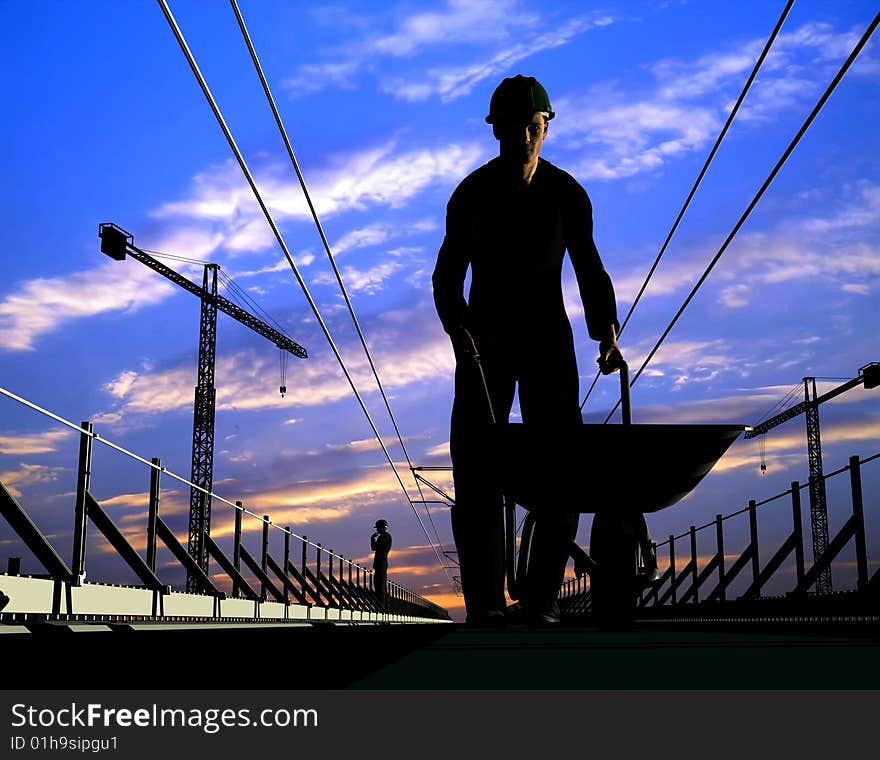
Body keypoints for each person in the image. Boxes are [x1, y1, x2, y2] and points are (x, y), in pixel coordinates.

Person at [432, 74, 623, 626]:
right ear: (496, 132)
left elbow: (589, 267)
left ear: (546, 128)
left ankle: (540, 599)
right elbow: (447, 276)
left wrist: (605, 333)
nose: (522, 137)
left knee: (561, 471)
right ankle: (487, 606)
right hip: (482, 346)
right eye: (511, 129)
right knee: (476, 474)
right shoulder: (471, 196)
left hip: (547, 342)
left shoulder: (567, 195)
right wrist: (457, 330)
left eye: (531, 127)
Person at [370, 519, 392, 610]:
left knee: (380, 585)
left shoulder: (385, 536)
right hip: (381, 563)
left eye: (378, 528)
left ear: (382, 528)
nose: (377, 530)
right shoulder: (385, 536)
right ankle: (383, 607)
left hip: (381, 563)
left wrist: (372, 539)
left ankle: (382, 607)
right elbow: (374, 548)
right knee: (380, 584)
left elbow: (374, 547)